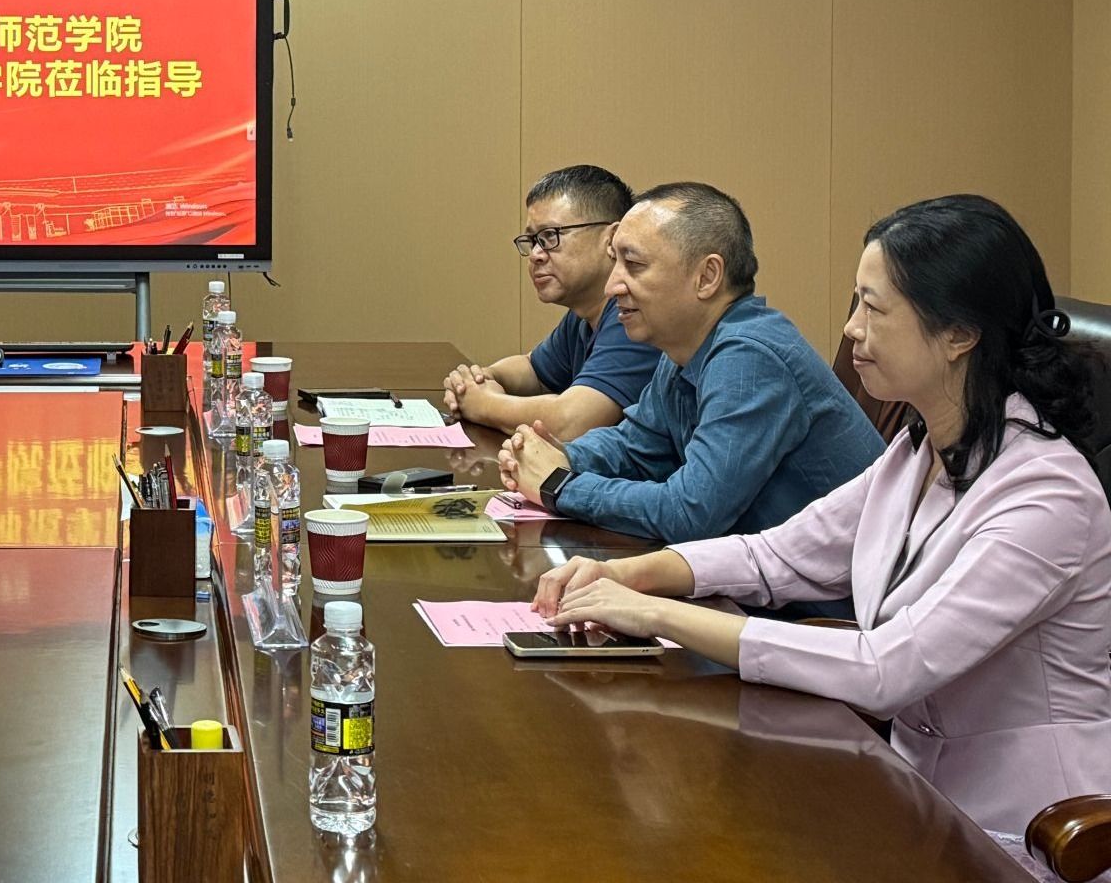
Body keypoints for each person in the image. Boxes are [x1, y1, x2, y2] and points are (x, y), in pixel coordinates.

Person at [530, 195, 1111, 838]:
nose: (852, 329)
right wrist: (633, 575)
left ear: (959, 333)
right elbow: (776, 555)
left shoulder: (1047, 495)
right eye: (854, 303)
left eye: (874, 308)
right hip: (915, 794)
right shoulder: (918, 451)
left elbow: (886, 669)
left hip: (1031, 836)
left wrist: (656, 614)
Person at [498, 182, 881, 544]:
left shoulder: (749, 359)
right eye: (615, 263)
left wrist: (559, 484)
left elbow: (690, 513)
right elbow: (636, 448)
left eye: (633, 264)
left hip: (837, 591)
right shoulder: (686, 347)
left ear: (707, 277)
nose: (612, 286)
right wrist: (561, 455)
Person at [443, 165, 662, 441]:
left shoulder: (634, 313)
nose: (536, 254)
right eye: (532, 240)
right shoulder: (584, 314)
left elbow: (572, 421)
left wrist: (483, 403)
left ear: (611, 239)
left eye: (550, 237)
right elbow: (535, 370)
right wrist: (482, 378)